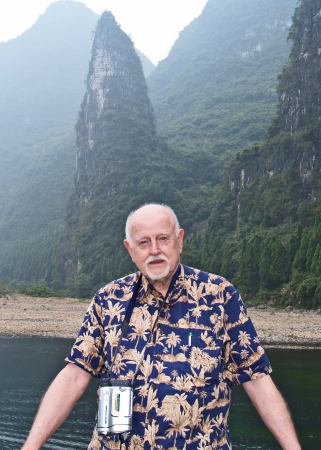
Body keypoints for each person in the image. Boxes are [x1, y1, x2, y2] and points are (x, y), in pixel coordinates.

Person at [21, 203, 301, 450]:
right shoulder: (108, 300)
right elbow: (73, 377)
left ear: (179, 240)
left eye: (163, 239)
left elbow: (258, 381)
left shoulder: (219, 296)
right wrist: (31, 446)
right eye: (143, 242)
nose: (154, 250)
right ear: (130, 250)